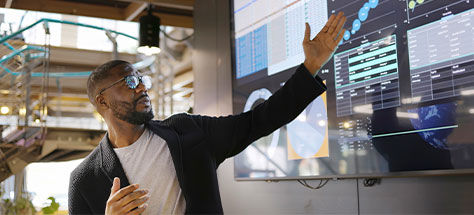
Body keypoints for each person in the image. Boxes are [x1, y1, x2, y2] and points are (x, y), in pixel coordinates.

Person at [68, 12, 346, 215]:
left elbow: (259, 120)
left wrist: (310, 66)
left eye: (143, 79)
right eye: (130, 81)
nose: (142, 86)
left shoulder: (188, 132)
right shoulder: (84, 180)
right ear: (102, 101)